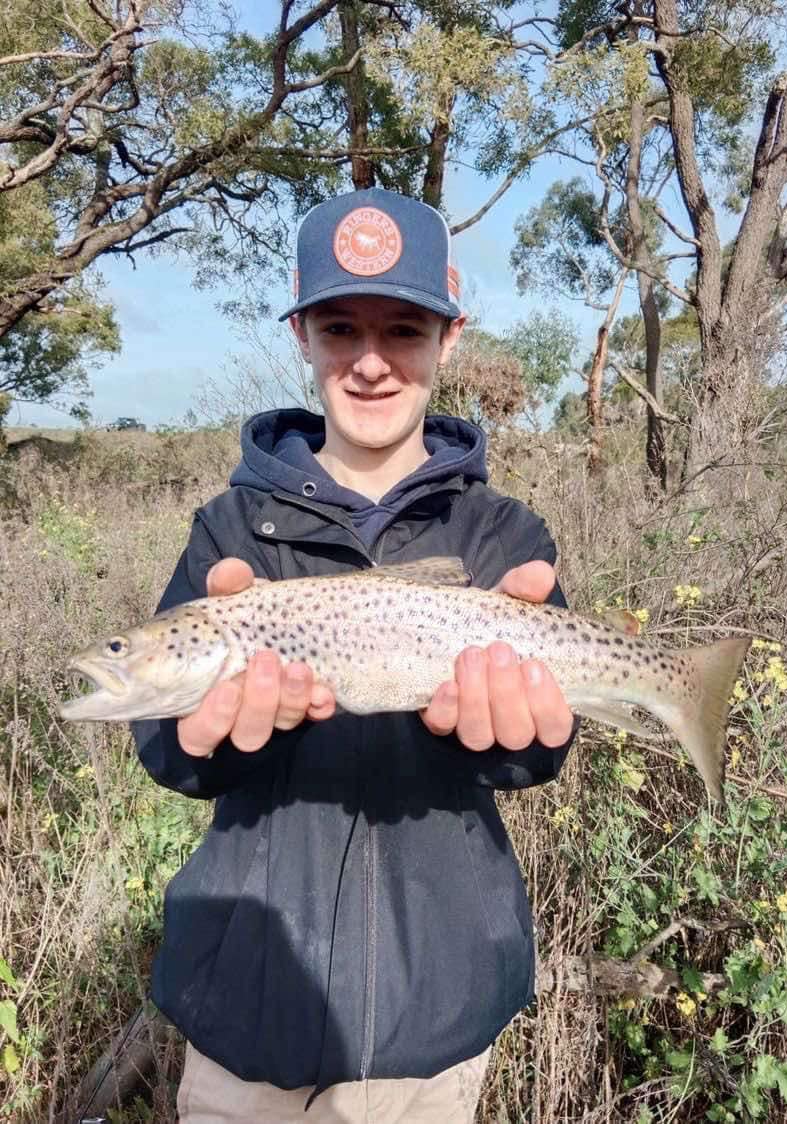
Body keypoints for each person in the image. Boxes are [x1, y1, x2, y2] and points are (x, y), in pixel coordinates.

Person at [132, 187, 577, 1123]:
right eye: (341, 328)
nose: (371, 361)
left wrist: (511, 739)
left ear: (446, 340)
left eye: (403, 330)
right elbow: (164, 743)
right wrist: (198, 736)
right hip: (249, 1002)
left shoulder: (503, 531)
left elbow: (540, 748)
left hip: (436, 1009)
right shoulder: (228, 530)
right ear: (301, 333)